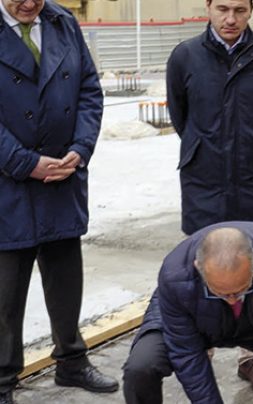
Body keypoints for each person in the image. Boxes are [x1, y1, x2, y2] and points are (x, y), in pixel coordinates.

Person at [165, 0, 253, 394]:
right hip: (205, 180)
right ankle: (200, 353)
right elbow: (179, 115)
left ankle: (250, 356)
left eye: (240, 9)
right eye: (222, 8)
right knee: (202, 267)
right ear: (208, 7)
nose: (231, 18)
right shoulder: (185, 56)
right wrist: (207, 149)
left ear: (251, 9)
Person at [0, 1, 119, 403]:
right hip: (9, 181)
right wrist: (23, 162)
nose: (30, 3)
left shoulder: (62, 21)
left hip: (62, 175)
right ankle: (2, 380)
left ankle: (71, 361)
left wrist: (81, 147)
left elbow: (89, 89)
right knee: (6, 290)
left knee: (66, 276)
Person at [121, 222, 253, 404]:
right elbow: (187, 354)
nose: (232, 299)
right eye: (221, 292)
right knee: (142, 367)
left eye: (240, 289)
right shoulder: (176, 275)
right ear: (199, 267)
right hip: (196, 318)